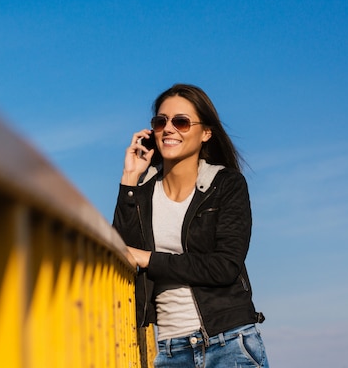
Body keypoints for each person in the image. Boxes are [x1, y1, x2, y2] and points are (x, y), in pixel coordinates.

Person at [113, 84, 269, 367]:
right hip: (171, 351)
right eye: (161, 122)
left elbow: (224, 267)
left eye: (181, 122)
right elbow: (122, 252)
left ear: (206, 133)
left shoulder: (226, 185)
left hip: (229, 343)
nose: (169, 129)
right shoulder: (144, 192)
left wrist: (149, 259)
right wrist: (129, 178)